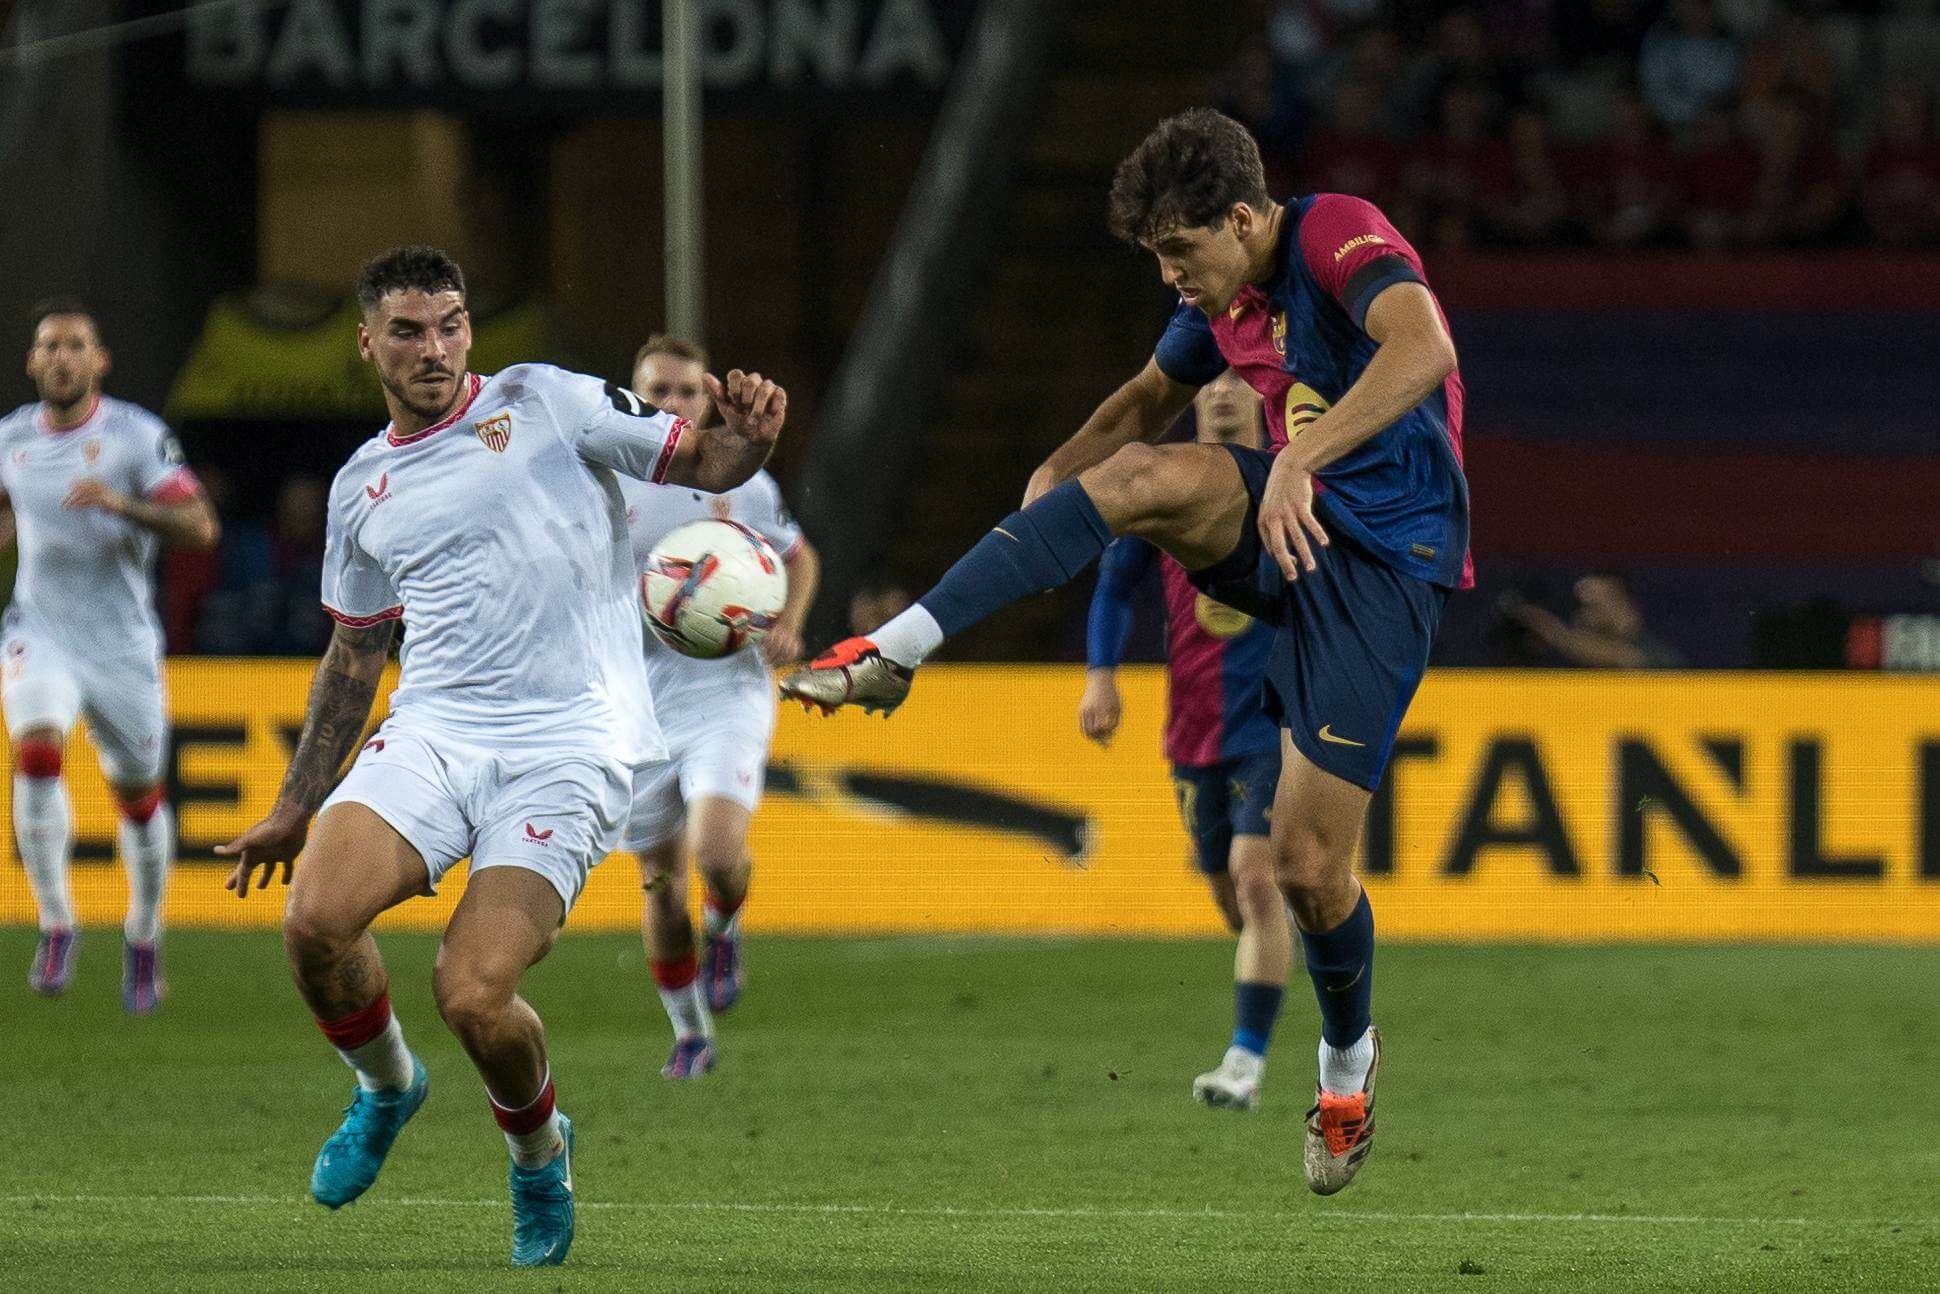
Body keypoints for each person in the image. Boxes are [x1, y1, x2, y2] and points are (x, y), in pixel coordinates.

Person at [783, 108, 1470, 1195]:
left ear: (1240, 219)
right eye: (1154, 256)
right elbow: (1148, 400)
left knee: (1305, 869)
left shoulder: (1334, 230)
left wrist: (1304, 459)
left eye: (1178, 250)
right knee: (1143, 474)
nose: (1168, 277)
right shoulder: (1217, 300)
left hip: (1388, 560)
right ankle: (896, 648)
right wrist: (1057, 477)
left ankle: (1347, 1066)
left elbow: (1424, 347)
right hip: (1281, 528)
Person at [216, 247, 785, 1266]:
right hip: (436, 729)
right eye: (407, 331)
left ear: (470, 329)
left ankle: (537, 1154)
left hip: (571, 745)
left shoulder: (548, 401)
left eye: (449, 325)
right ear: (367, 344)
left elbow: (704, 464)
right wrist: (297, 803)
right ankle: (387, 1087)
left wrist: (745, 440)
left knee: (473, 995)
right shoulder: (361, 488)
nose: (433, 349)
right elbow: (355, 651)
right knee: (312, 923)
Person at [1079, 369, 1291, 1111]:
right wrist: (1101, 677)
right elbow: (1114, 584)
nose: (1224, 390)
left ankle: (1244, 1062)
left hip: (1274, 723)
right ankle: (1280, 946)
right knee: (1234, 899)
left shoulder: (1288, 480)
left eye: (1239, 377)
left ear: (1264, 394)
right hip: (1194, 731)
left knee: (1255, 879)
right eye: (1211, 379)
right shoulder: (1167, 486)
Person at [0, 301, 220, 1012]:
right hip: (41, 630)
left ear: (100, 362)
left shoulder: (136, 437)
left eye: (75, 346)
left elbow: (200, 526)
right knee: (37, 750)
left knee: (139, 795)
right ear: (32, 362)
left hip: (122, 645)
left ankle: (144, 935)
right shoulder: (10, 438)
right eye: (49, 346)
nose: (61, 358)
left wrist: (126, 507)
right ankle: (57, 923)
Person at [620, 334, 820, 1079]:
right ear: (633, 395)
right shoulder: (608, 480)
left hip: (724, 691)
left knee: (715, 853)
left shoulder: (743, 483)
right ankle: (690, 1033)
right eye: (658, 391)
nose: (672, 404)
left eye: (685, 391)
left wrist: (791, 622)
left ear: (706, 400)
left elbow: (800, 558)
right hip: (636, 704)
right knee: (660, 888)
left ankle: (726, 924)